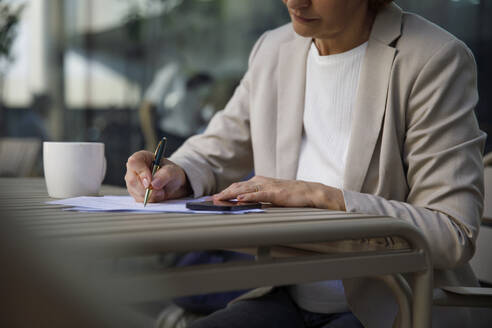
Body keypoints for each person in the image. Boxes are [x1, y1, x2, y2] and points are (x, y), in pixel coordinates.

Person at [125, 0, 486, 327]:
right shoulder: (274, 49)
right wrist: (176, 172)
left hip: (394, 306)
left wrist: (321, 196)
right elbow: (217, 147)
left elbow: (452, 231)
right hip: (284, 292)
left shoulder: (432, 59)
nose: (294, 1)